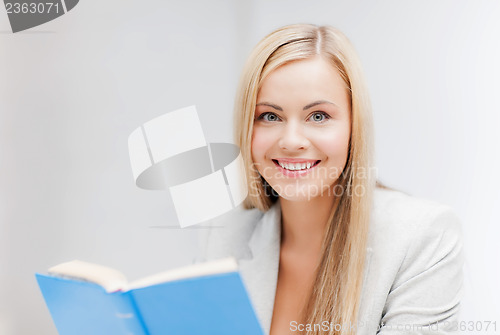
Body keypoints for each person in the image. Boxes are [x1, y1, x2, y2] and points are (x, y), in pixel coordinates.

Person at [197, 23, 464, 335]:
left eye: (318, 116)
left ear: (354, 128)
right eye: (270, 116)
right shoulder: (223, 235)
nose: (291, 140)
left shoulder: (423, 238)